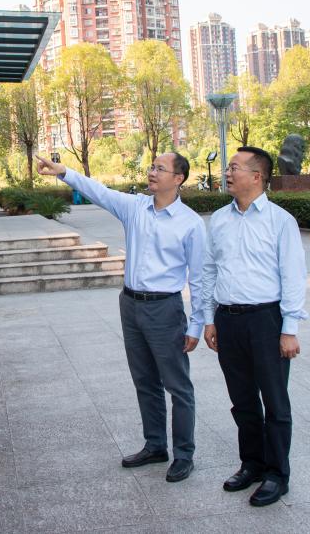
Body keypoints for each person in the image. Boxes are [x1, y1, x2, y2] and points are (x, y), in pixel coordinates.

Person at [35, 152, 206, 483]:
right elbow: (99, 191)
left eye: (160, 169)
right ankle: (155, 445)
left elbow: (199, 278)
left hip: (165, 309)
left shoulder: (190, 223)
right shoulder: (134, 207)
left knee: (177, 385)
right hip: (130, 305)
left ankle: (184, 454)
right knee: (145, 380)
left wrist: (197, 324)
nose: (152, 172)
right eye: (152, 166)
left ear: (178, 179)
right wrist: (64, 172)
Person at [201, 146, 308, 507]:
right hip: (228, 320)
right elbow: (209, 270)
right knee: (242, 400)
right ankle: (252, 464)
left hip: (267, 320)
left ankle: (277, 474)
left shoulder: (280, 221)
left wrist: (289, 329)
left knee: (275, 401)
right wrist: (209, 318)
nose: (227, 173)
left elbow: (293, 276)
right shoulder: (219, 219)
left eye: (234, 168)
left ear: (257, 176)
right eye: (228, 168)